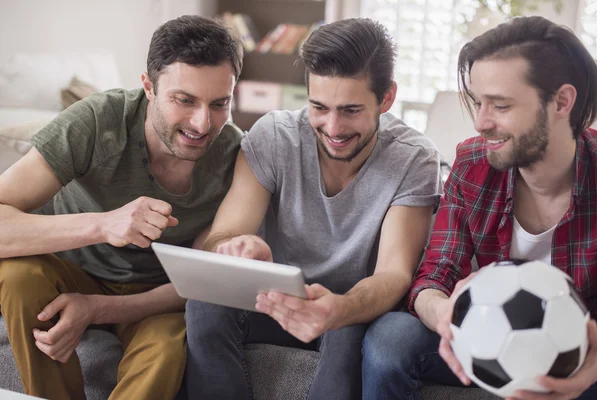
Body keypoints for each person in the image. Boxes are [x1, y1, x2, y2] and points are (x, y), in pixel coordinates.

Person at [184, 17, 442, 400]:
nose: (333, 128)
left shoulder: (414, 159)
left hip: (351, 307)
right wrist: (236, 248)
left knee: (346, 330)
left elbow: (394, 273)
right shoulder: (274, 136)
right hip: (275, 302)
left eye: (351, 110)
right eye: (318, 107)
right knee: (203, 304)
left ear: (386, 97)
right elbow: (223, 235)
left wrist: (340, 308)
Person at [0, 15, 243, 400]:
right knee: (17, 275)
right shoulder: (97, 121)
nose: (202, 123)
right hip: (70, 270)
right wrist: (101, 225)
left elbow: (203, 282)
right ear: (148, 86)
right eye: (184, 100)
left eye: (219, 103)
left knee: (166, 349)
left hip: (153, 296)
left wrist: (98, 309)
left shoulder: (237, 156)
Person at [362, 15, 597, 400]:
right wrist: (446, 316)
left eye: (500, 106)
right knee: (390, 338)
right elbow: (434, 275)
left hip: (582, 357)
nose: (480, 123)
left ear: (561, 102)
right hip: (483, 337)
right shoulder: (473, 162)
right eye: (477, 102)